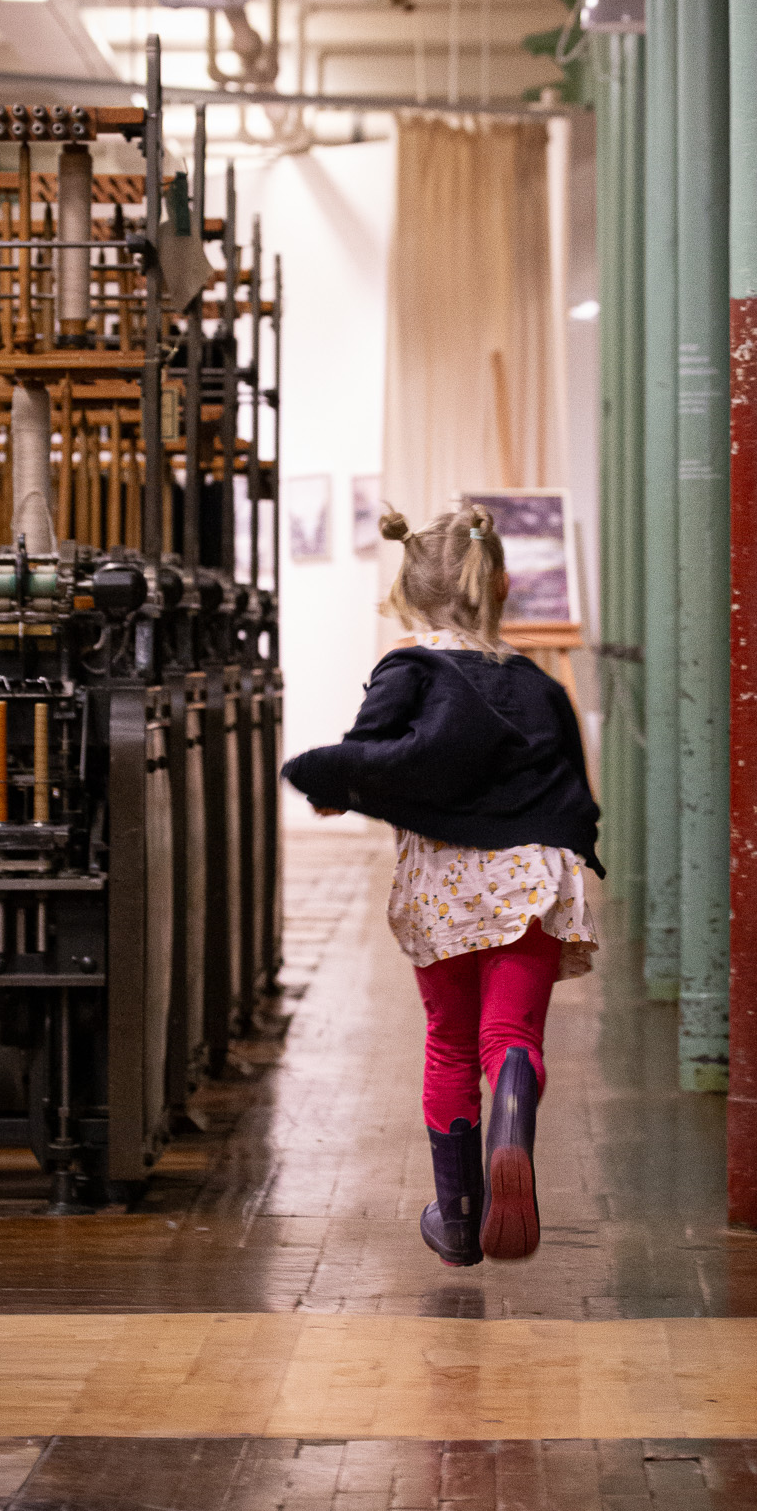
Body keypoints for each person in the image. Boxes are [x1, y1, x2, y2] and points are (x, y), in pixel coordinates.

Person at [282, 501, 603, 1267]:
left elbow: (371, 752)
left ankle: (457, 1219)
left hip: (444, 882)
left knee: (451, 1042)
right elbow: (568, 783)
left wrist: (331, 786)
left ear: (406, 593)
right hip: (531, 874)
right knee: (510, 1037)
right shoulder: (533, 681)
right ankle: (511, 1128)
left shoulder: (408, 667)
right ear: (495, 589)